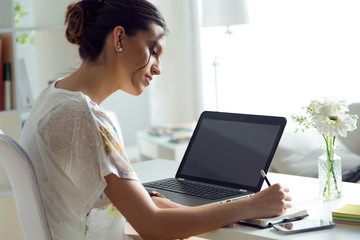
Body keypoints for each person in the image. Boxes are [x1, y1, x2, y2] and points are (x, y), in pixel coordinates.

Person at [20, 0, 292, 239]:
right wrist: (250, 206)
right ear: (119, 38)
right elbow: (152, 225)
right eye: (153, 50)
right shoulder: (86, 117)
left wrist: (221, 211)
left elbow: (137, 205)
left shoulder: (53, 96)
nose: (158, 68)